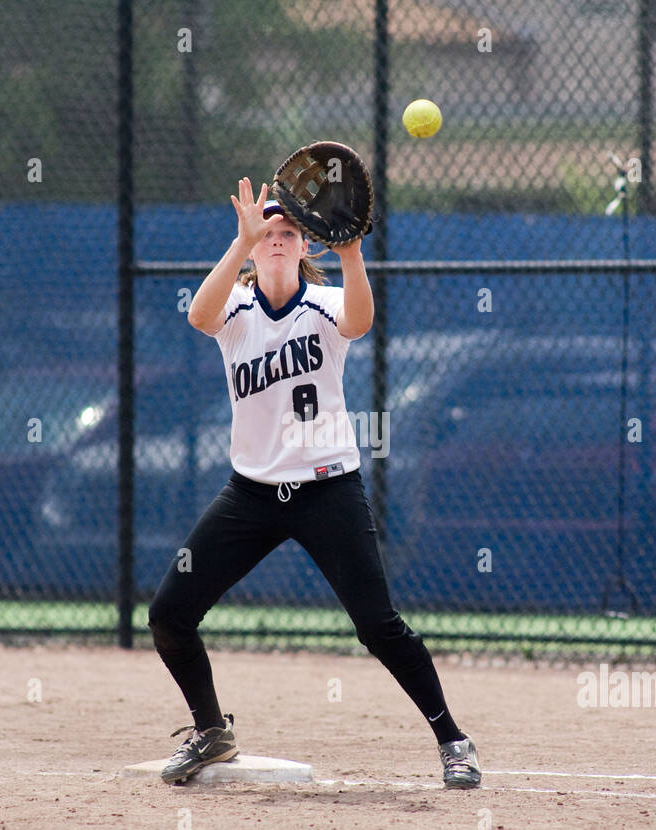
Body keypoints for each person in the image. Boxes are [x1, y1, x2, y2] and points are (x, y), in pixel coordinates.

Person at [147, 177, 481, 789]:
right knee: (169, 613)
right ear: (252, 247)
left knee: (378, 625)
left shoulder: (323, 308)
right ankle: (211, 731)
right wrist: (240, 241)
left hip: (327, 489)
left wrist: (351, 254)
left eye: (288, 232)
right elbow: (198, 314)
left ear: (305, 246)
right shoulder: (236, 312)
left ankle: (453, 739)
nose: (277, 240)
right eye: (268, 232)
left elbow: (358, 320)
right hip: (251, 494)